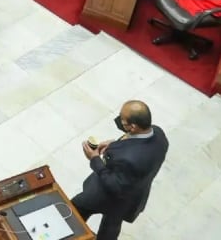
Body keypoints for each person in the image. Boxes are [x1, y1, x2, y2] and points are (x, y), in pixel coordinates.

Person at [71, 100, 168, 240]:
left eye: (122, 120)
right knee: (111, 227)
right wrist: (116, 143)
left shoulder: (130, 160)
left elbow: (113, 185)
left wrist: (94, 159)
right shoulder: (159, 134)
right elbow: (135, 143)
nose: (120, 121)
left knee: (75, 209)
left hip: (108, 195)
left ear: (133, 127)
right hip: (130, 198)